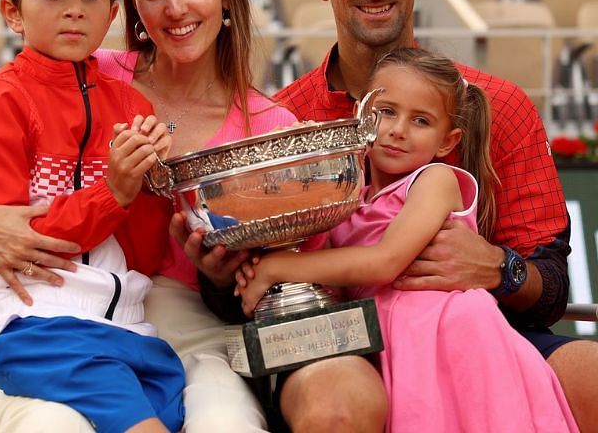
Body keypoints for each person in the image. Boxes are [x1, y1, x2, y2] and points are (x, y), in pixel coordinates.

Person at [266, 0, 598, 432]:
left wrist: (497, 268)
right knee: (337, 405)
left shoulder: (499, 106)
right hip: (338, 340)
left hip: (470, 329)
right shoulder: (283, 119)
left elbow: (552, 288)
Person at [0, 0, 296, 431]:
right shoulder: (54, 81)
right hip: (46, 318)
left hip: (155, 321)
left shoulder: (258, 122)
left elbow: (145, 246)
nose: (175, 6)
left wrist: (213, 268)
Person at [237, 47, 578, 432]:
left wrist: (278, 267)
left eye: (420, 120)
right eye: (386, 112)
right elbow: (336, 277)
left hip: (451, 339)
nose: (398, 129)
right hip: (394, 343)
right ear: (361, 116)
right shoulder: (351, 198)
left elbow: (385, 262)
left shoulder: (435, 182)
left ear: (447, 142)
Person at [0, 0, 184, 433]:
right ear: (13, 13)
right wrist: (114, 192)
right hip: (38, 330)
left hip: (130, 329)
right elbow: (17, 248)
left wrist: (150, 190)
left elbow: (145, 254)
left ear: (111, 13)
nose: (74, 11)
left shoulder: (129, 102)